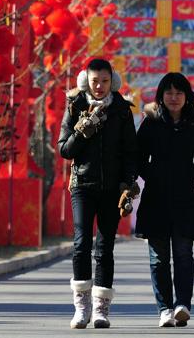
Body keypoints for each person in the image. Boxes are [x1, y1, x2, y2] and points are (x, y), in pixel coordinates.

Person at [58, 58, 139, 329]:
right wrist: (83, 130)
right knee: (81, 244)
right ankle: (81, 307)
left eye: (105, 81)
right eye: (95, 81)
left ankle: (101, 308)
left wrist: (128, 183)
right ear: (86, 80)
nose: (100, 86)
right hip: (81, 185)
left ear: (112, 81)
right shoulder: (75, 105)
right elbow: (65, 150)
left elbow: (131, 152)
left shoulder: (122, 110)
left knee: (104, 248)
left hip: (112, 190)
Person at [134, 72, 194, 328]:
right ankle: (164, 309)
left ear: (187, 96)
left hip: (185, 199)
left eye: (179, 93)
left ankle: (182, 305)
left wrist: (188, 176)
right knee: (158, 257)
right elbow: (137, 157)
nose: (174, 97)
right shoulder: (151, 123)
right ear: (161, 96)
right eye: (168, 93)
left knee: (183, 254)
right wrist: (152, 176)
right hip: (155, 198)